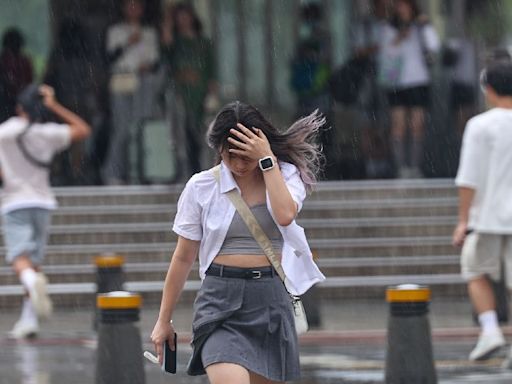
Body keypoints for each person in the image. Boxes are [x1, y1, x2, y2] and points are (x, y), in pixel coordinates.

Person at [150, 102, 326, 383]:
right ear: (218, 149)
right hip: (220, 301)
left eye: (247, 157)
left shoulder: (285, 175)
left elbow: (284, 215)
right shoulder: (202, 186)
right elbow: (183, 257)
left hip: (269, 300)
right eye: (231, 157)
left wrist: (267, 160)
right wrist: (164, 320)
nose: (239, 165)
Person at [0, 84, 91, 338]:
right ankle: (28, 320)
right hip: (42, 202)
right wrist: (54, 106)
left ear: (19, 107)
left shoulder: (6, 131)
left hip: (14, 201)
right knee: (34, 263)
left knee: (20, 258)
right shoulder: (49, 133)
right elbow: (83, 130)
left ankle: (30, 285)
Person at [452, 61, 512, 364]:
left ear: (488, 90)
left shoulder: (479, 125)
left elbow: (468, 179)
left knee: (474, 270)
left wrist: (463, 220)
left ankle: (490, 331)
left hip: (487, 216)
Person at [378, 0, 439, 178]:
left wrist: (424, 25)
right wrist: (399, 38)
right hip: (397, 82)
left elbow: (434, 46)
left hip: (418, 80)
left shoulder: (420, 26)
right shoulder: (389, 27)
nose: (401, 9)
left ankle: (414, 166)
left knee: (417, 125)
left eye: (404, 5)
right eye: (398, 6)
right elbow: (386, 53)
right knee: (398, 125)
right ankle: (401, 167)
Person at [103, 0, 159, 184]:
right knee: (121, 128)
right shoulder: (115, 31)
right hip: (122, 80)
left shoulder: (149, 33)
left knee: (142, 127)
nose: (133, 9)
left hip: (144, 83)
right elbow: (110, 57)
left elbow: (154, 60)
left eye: (137, 6)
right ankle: (113, 172)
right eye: (130, 5)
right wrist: (128, 42)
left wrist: (147, 66)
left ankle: (143, 172)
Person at [160, 2, 217, 178]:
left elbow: (211, 70)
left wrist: (212, 92)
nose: (183, 20)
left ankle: (199, 168)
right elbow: (166, 50)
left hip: (198, 94)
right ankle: (183, 171)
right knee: (180, 133)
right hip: (180, 94)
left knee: (198, 132)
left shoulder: (203, 43)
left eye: (186, 16)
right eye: (180, 17)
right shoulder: (175, 42)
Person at [44, 18, 100, 185]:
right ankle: (76, 173)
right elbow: (92, 80)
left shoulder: (58, 55)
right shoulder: (85, 55)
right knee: (78, 143)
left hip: (62, 102)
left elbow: (49, 76)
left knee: (59, 141)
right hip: (80, 102)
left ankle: (59, 172)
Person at [0, 28, 33, 123]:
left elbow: (28, 82)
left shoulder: (24, 61)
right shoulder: (3, 60)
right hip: (6, 100)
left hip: (17, 101)